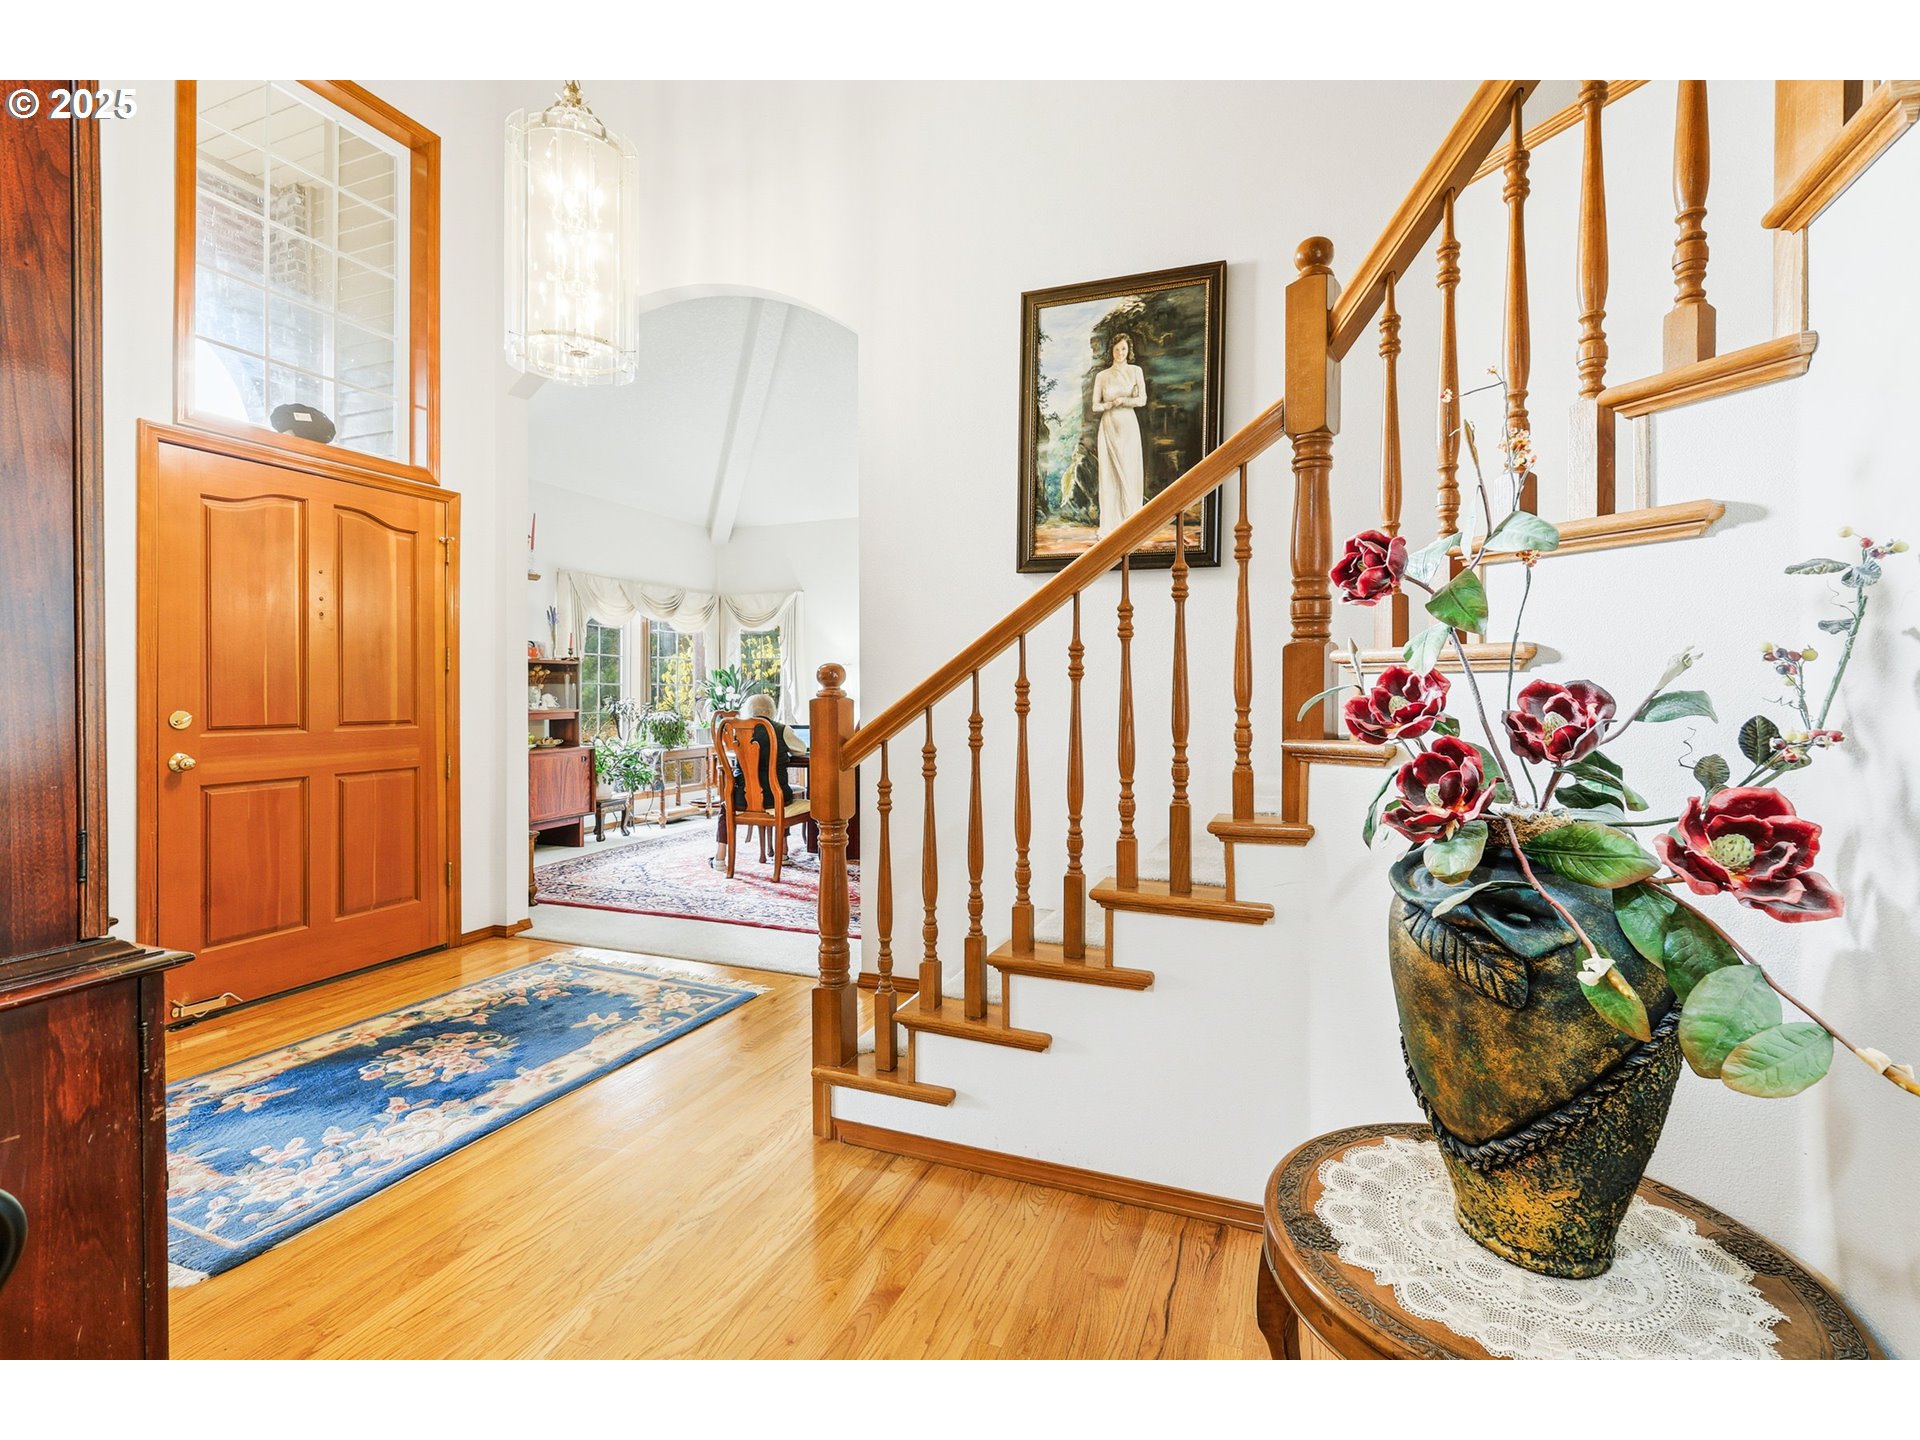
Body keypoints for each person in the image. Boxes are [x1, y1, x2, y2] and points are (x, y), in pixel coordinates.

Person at [713, 692, 808, 868]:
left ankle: (719, 858)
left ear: (748, 710)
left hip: (741, 798)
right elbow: (801, 750)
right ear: (772, 711)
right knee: (784, 795)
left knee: (726, 804)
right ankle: (783, 852)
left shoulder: (737, 731)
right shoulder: (780, 729)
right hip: (774, 798)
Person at [1092, 333, 1146, 538]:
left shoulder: (1135, 371)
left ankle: (1132, 519)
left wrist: (1124, 400)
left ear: (1128, 350)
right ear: (1111, 351)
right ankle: (1111, 523)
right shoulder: (1102, 376)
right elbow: (1095, 405)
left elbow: (1142, 400)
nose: (1120, 353)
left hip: (1128, 424)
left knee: (1130, 468)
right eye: (1116, 349)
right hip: (1109, 425)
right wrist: (1109, 405)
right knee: (1109, 472)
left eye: (1123, 349)